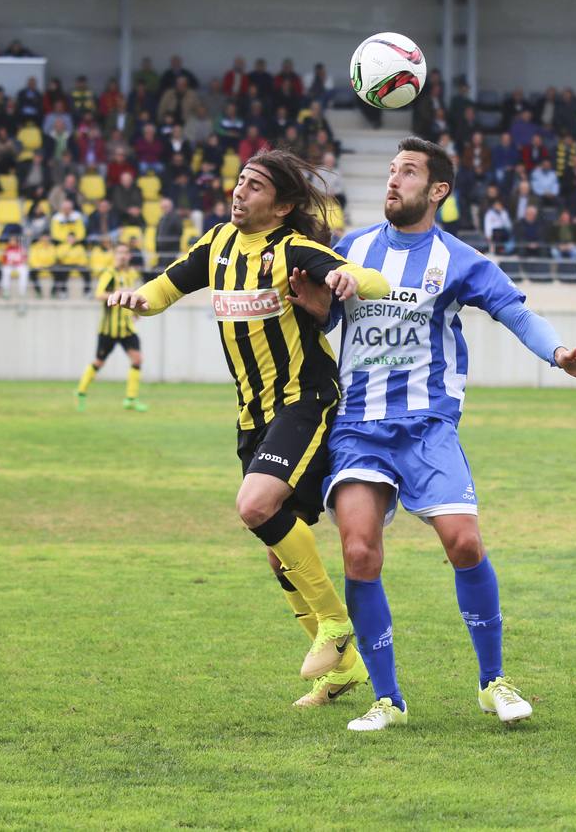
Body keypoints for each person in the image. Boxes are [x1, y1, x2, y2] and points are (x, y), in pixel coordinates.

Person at [286, 137, 576, 730]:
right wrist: (313, 306)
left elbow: (515, 312)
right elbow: (330, 321)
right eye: (390, 170)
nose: (393, 180)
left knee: (464, 543)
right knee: (358, 550)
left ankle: (493, 683)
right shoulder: (350, 249)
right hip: (359, 426)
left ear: (437, 191)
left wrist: (560, 353)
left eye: (407, 172)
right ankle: (388, 699)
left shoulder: (460, 259)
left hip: (429, 428)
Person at [107, 149, 390, 698]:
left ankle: (334, 624)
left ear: (283, 205)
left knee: (255, 506)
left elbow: (365, 276)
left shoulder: (292, 249)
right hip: (252, 415)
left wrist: (351, 282)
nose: (239, 191)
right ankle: (342, 670)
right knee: (277, 548)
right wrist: (137, 300)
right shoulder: (216, 244)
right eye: (239, 181)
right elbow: (166, 286)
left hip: (304, 399)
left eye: (255, 186)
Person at [74, 242, 149, 412]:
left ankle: (131, 399)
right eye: (119, 253)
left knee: (137, 359)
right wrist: (118, 293)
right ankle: (81, 391)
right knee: (99, 362)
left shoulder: (132, 273)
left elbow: (133, 296)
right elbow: (99, 294)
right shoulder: (109, 274)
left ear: (129, 256)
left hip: (126, 328)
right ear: (115, 255)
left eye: (125, 253)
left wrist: (136, 312)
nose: (122, 256)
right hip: (108, 329)